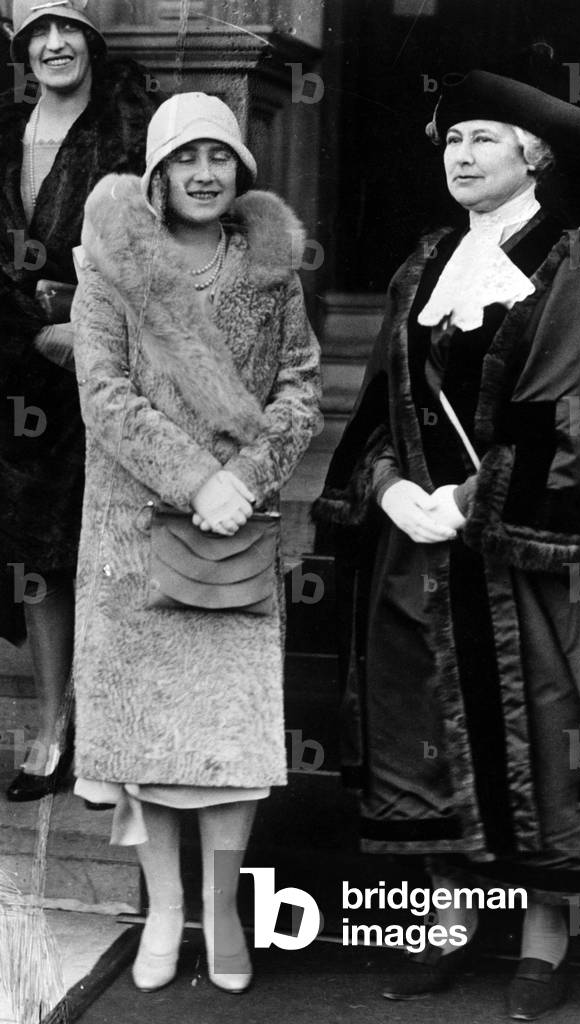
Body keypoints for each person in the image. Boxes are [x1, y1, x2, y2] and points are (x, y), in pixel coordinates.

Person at [313, 69, 580, 1019]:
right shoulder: (422, 268)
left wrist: (467, 498)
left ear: (534, 155)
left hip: (525, 562)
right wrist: (390, 487)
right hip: (419, 555)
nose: (461, 155)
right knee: (429, 741)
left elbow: (577, 419)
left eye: (483, 138)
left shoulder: (570, 267)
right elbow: (378, 410)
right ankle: (449, 924)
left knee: (541, 737)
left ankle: (542, 940)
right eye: (451, 140)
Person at [69, 92, 322, 993]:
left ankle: (221, 910)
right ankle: (165, 911)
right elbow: (103, 395)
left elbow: (301, 386)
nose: (204, 174)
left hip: (234, 533)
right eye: (185, 160)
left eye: (220, 157)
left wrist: (244, 482)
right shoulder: (111, 268)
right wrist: (194, 479)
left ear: (242, 170)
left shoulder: (268, 268)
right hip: (134, 528)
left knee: (229, 740)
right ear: (158, 174)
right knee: (145, 741)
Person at [0, 0, 159, 801]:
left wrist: (79, 322)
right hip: (12, 366)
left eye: (68, 28)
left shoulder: (130, 131)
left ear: (92, 39)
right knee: (33, 557)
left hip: (102, 370)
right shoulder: (3, 132)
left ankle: (104, 730)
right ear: (21, 47)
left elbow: (159, 243)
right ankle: (51, 724)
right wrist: (28, 328)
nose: (54, 45)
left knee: (96, 546)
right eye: (39, 32)